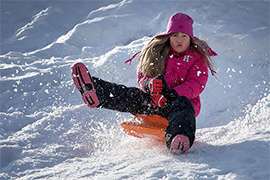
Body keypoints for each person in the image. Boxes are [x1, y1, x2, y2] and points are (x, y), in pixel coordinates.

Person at [72, 12, 217, 154]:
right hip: (155, 101)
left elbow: (196, 84)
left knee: (183, 107)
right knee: (132, 96)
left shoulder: (196, 57)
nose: (179, 40)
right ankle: (98, 92)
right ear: (168, 37)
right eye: (175, 35)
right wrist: (150, 85)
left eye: (184, 36)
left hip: (177, 104)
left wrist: (172, 93)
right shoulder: (159, 52)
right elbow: (143, 76)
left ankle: (179, 137)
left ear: (190, 38)